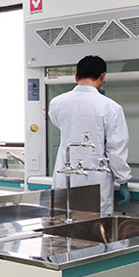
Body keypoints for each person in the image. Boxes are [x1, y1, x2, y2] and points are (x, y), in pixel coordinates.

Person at [49, 55, 130, 216]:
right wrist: (123, 180)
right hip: (95, 180)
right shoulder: (110, 107)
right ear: (102, 76)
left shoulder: (56, 103)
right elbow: (116, 149)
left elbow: (61, 124)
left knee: (63, 224)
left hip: (64, 178)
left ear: (76, 76)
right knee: (94, 227)